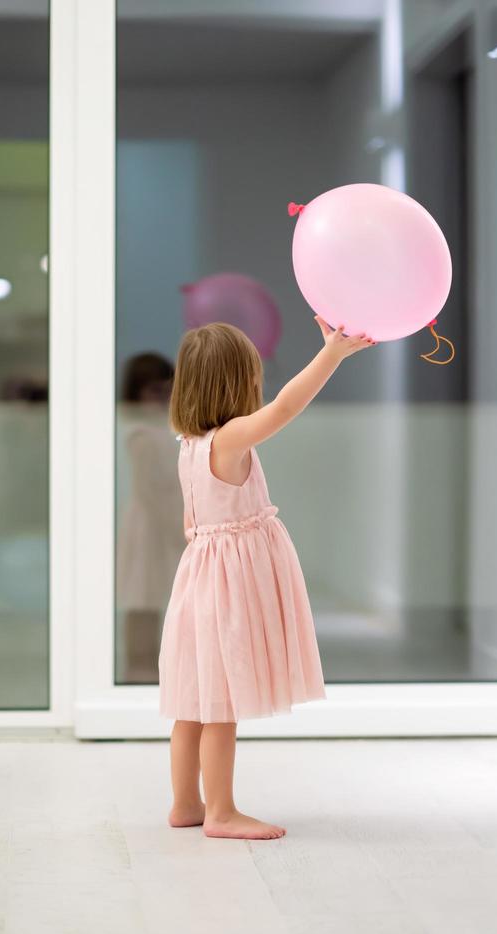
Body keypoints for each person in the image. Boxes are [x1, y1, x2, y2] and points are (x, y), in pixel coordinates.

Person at [159, 318, 376, 839]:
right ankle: (222, 812)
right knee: (221, 706)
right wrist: (332, 355)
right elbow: (284, 407)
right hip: (225, 590)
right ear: (238, 382)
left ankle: (186, 803)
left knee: (194, 702)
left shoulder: (188, 443)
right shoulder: (231, 439)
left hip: (199, 583)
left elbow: (195, 521)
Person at [116, 352, 185, 683]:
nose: (162, 398)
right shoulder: (142, 433)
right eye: (153, 392)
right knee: (141, 594)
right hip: (150, 523)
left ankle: (156, 664)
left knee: (158, 592)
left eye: (166, 391)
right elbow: (148, 490)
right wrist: (172, 525)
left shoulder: (162, 430)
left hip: (165, 518)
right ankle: (138, 664)